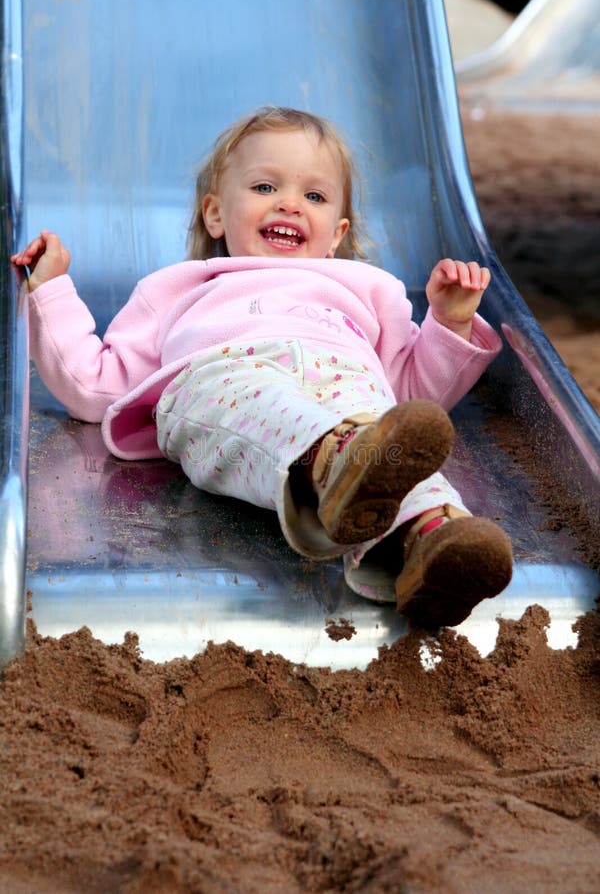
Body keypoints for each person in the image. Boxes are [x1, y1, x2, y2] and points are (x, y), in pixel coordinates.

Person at [12, 105, 512, 629]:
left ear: (336, 233)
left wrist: (448, 323)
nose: (291, 205)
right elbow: (93, 385)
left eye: (313, 196)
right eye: (265, 188)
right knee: (278, 408)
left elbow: (414, 396)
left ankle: (432, 545)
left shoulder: (368, 291)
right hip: (224, 383)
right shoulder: (180, 288)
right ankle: (333, 462)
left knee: (386, 431)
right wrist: (51, 288)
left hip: (347, 390)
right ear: (215, 215)